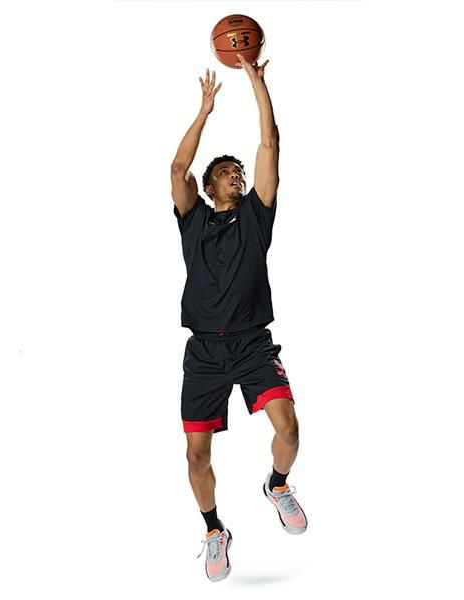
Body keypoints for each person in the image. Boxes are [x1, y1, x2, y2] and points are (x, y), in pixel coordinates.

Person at [170, 54, 307, 583]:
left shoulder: (255, 216)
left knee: (289, 429)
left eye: (239, 173)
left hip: (251, 344)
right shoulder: (193, 221)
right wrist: (204, 111)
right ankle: (214, 531)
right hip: (204, 352)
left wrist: (257, 82)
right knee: (196, 456)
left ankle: (277, 484)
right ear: (209, 187)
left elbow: (270, 144)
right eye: (227, 172)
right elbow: (176, 170)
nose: (237, 175)